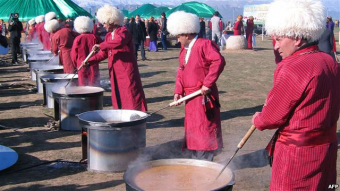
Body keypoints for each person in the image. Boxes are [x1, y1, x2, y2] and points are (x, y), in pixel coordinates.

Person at [251, 0, 340, 190]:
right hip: (327, 149)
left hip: (298, 155)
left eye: (280, 39)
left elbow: (272, 117)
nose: (276, 46)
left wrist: (258, 119)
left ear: (297, 39)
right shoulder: (329, 61)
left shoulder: (294, 67)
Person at [167, 11, 226, 161]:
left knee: (204, 131)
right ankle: (195, 160)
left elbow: (218, 61)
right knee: (193, 132)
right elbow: (181, 71)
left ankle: (204, 164)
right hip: (190, 98)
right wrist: (178, 91)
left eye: (178, 35)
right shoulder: (184, 50)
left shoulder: (204, 44)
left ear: (187, 34)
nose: (177, 39)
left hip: (202, 97)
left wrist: (207, 83)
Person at [87, 5, 147, 112]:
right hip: (114, 71)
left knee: (130, 93)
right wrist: (89, 61)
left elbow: (119, 42)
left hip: (126, 70)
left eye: (105, 23)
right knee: (118, 93)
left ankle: (135, 114)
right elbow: (103, 54)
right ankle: (120, 114)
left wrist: (101, 45)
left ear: (111, 21)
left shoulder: (123, 31)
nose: (103, 25)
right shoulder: (108, 36)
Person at [71, 16, 102, 86]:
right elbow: (102, 50)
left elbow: (73, 54)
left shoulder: (78, 39)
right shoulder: (95, 37)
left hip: (81, 63)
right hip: (94, 63)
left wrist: (75, 64)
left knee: (83, 84)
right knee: (94, 82)